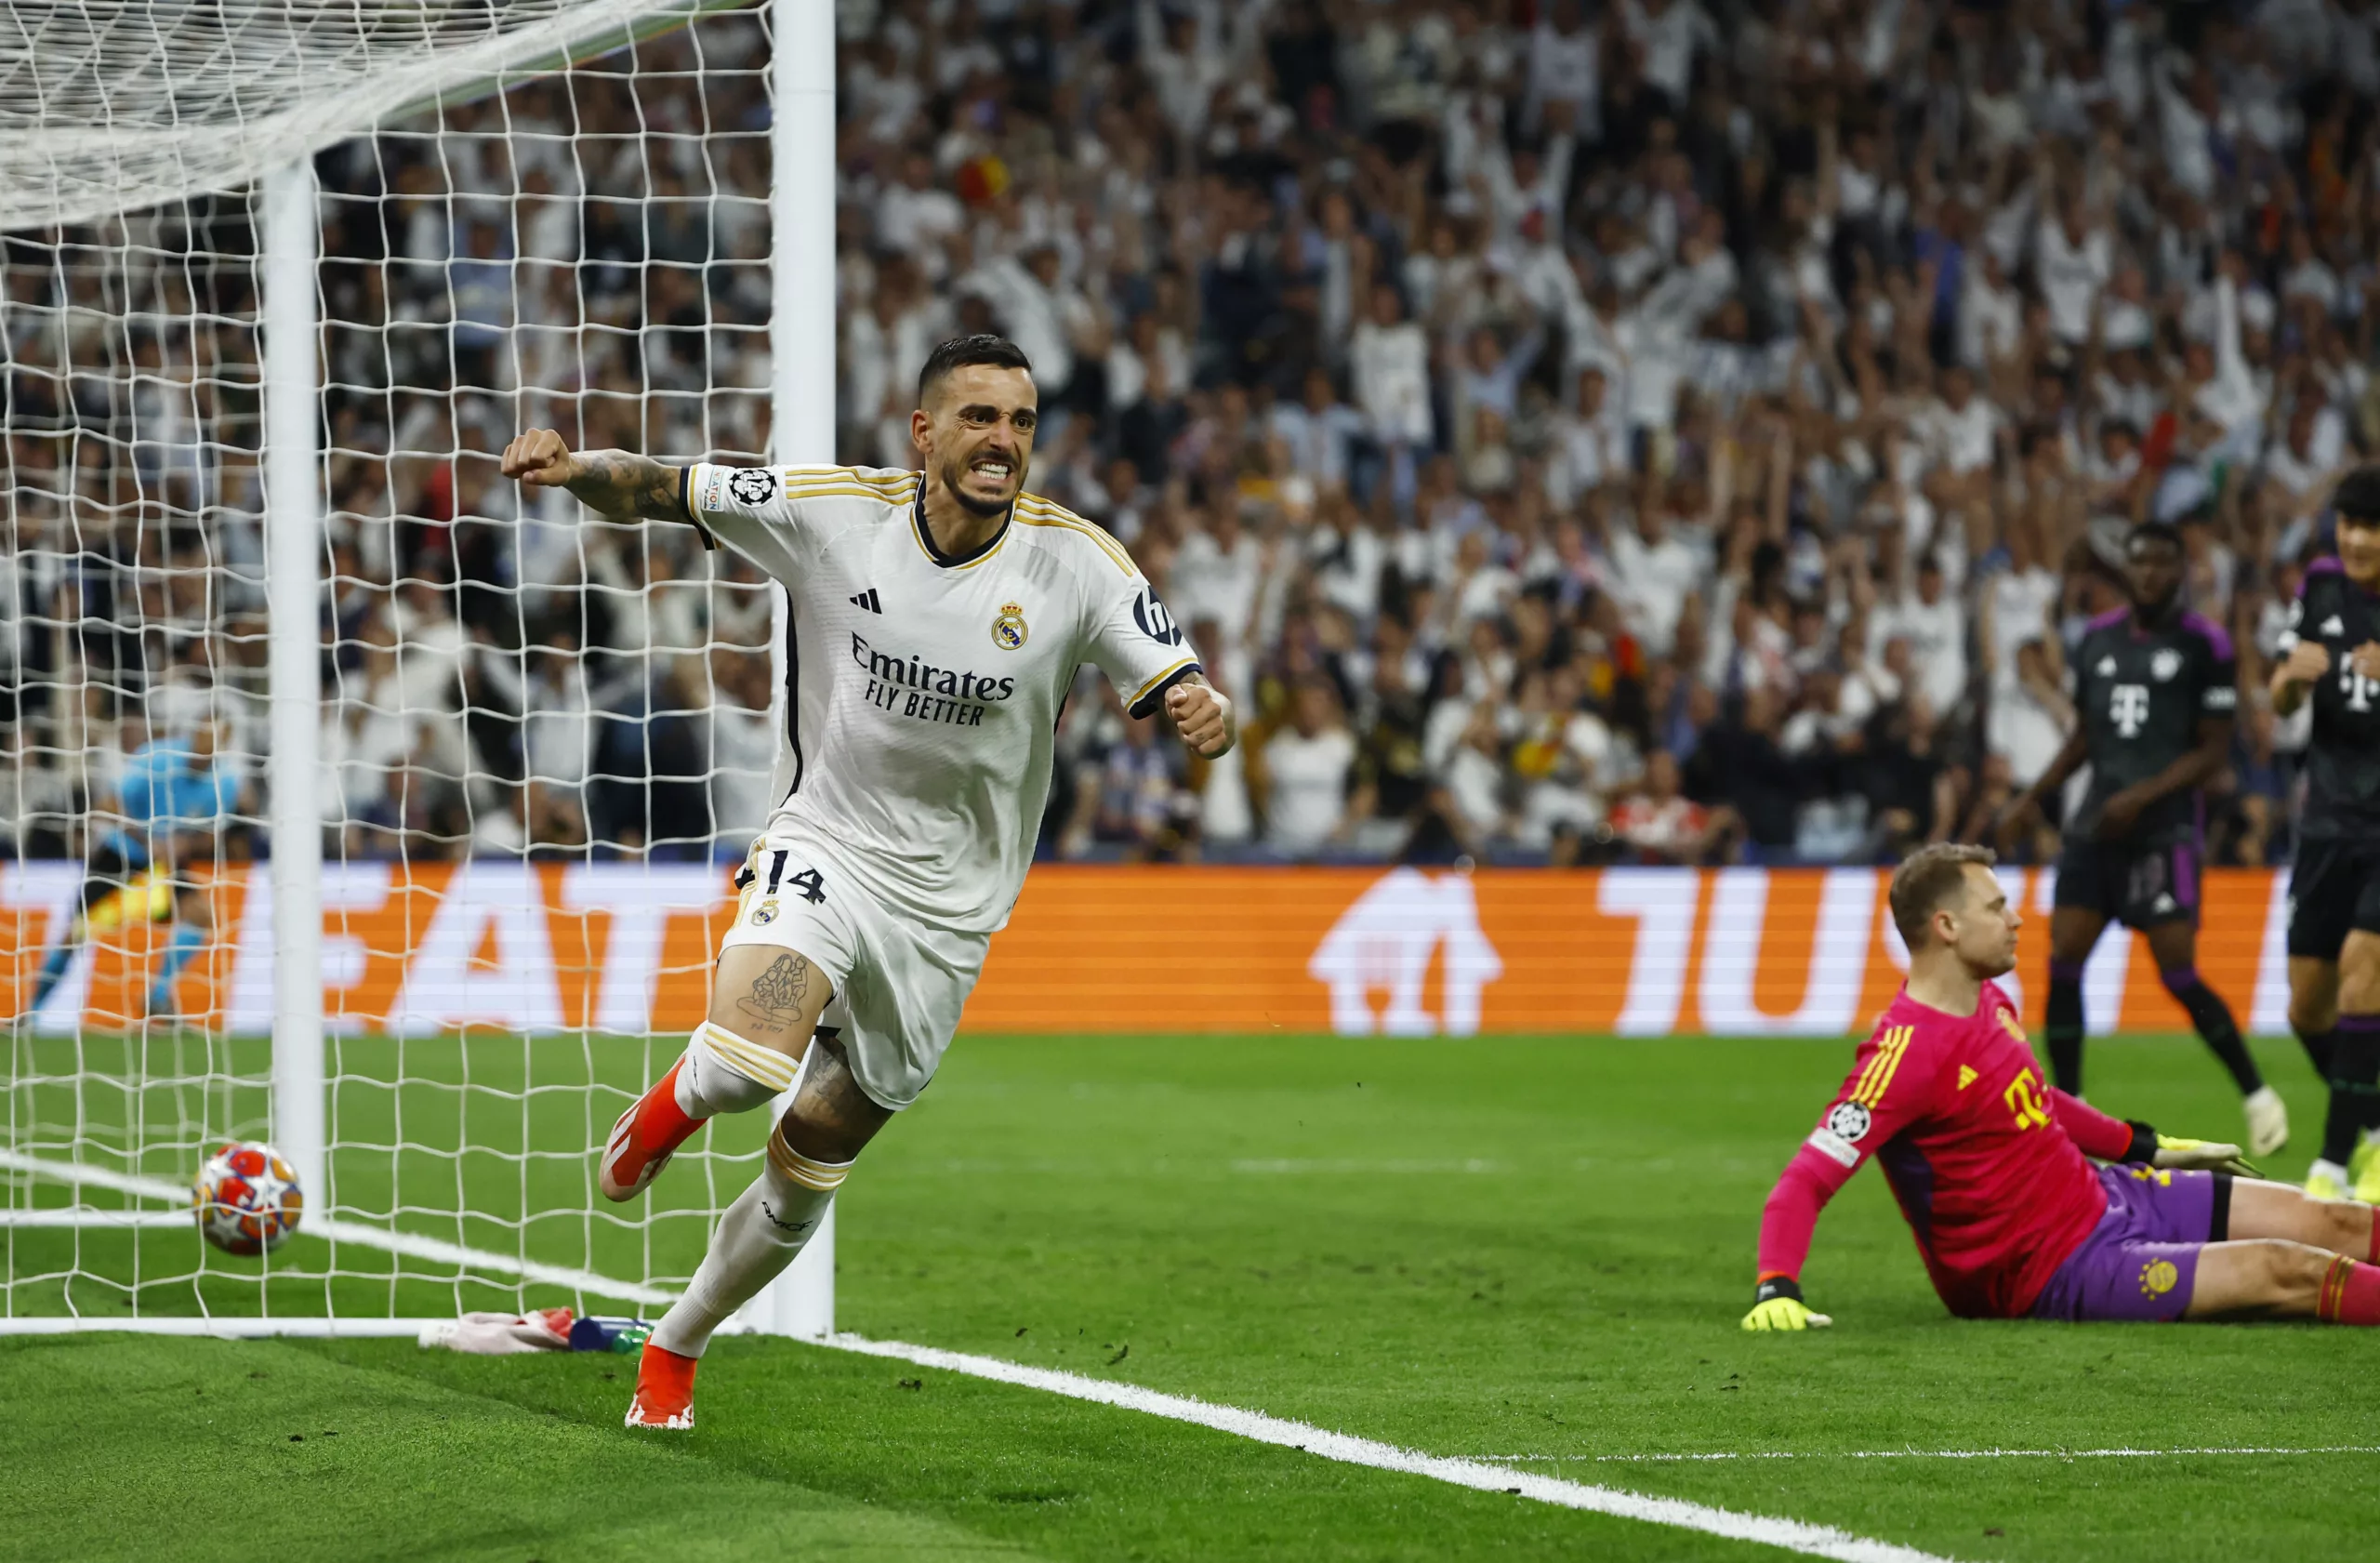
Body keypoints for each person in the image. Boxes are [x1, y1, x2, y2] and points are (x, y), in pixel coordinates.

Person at [499, 335, 1235, 1430]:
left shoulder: (1078, 562)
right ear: (923, 432)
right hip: (827, 842)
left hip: (952, 914)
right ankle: (672, 1105)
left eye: (1022, 422)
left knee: (809, 1169)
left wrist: (1201, 712)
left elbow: (1180, 681)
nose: (1004, 442)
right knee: (750, 1065)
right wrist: (572, 468)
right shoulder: (832, 510)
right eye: (980, 418)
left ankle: (676, 1340)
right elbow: (660, 486)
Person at [1741, 843, 2380, 1332]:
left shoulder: (1989, 997)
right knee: (2284, 1265)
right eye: (1996, 907)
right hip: (2052, 1268)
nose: (2017, 919)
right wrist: (1777, 1284)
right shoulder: (1902, 1055)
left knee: (2330, 1216)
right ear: (1947, 927)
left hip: (2105, 1194)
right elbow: (1805, 1180)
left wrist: (2143, 1145)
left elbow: (2036, 1098)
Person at [1999, 522, 2283, 1156]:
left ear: (2180, 568)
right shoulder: (2097, 641)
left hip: (2163, 829)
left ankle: (2256, 1090)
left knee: (2178, 971)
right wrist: (2030, 800)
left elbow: (2212, 753)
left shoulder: (2204, 644)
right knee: (2063, 962)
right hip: (2099, 823)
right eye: (2139, 564)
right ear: (2126, 571)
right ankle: (2063, 1121)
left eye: (2161, 564)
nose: (2149, 575)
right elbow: (2083, 738)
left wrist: (2143, 796)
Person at [2269, 465, 2380, 1201]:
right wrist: (2291, 680)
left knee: (2361, 970)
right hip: (2326, 822)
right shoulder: (2319, 585)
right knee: (2306, 1005)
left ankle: (2334, 1163)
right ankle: (2372, 1125)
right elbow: (2279, 702)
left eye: (2369, 526)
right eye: (2347, 523)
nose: (2356, 538)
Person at [22, 719, 239, 1024]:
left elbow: (210, 833)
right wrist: (147, 838)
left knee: (201, 915)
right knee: (75, 935)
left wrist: (184, 844)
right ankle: (32, 1012)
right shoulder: (157, 758)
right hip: (121, 854)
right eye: (205, 735)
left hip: (163, 865)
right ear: (194, 733)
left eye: (218, 739)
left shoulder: (225, 783)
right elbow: (109, 803)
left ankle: (157, 997)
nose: (209, 746)